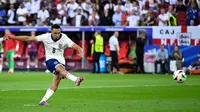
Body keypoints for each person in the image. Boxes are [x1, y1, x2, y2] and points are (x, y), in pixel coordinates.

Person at [5, 24, 84, 105]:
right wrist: (12, 37)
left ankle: (43, 100)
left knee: (56, 81)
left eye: (58, 33)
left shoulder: (64, 37)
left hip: (61, 61)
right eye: (55, 33)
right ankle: (75, 79)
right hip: (50, 60)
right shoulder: (45, 37)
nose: (57, 35)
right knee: (60, 69)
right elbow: (28, 38)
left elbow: (76, 47)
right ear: (51, 32)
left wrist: (80, 51)